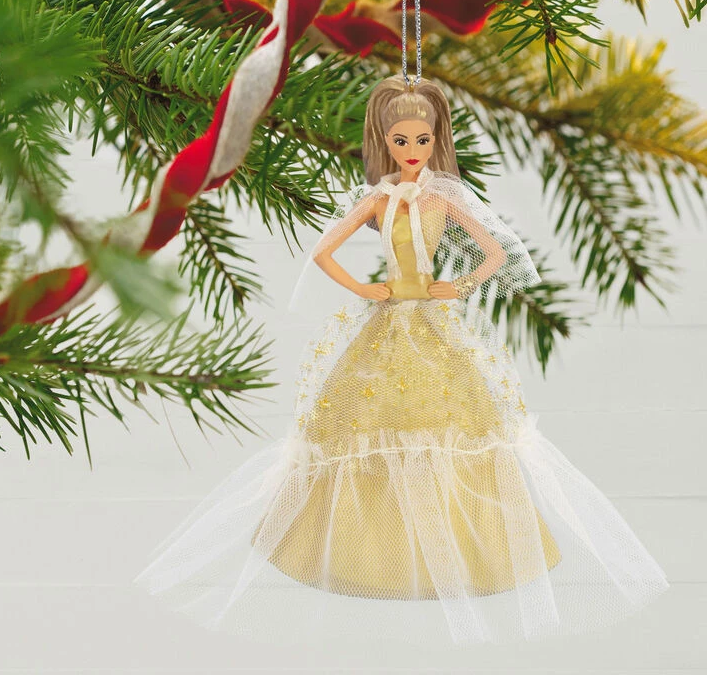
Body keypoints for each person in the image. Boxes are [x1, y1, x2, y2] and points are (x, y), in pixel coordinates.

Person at [134, 74, 669, 648]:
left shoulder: (444, 198)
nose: (412, 151)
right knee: (364, 423)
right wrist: (364, 290)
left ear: (436, 140)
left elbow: (496, 252)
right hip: (388, 318)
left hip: (433, 320)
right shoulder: (378, 200)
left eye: (422, 140)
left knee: (455, 422)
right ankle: (369, 551)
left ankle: (461, 549)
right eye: (400, 141)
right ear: (384, 142)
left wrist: (460, 286)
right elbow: (322, 251)